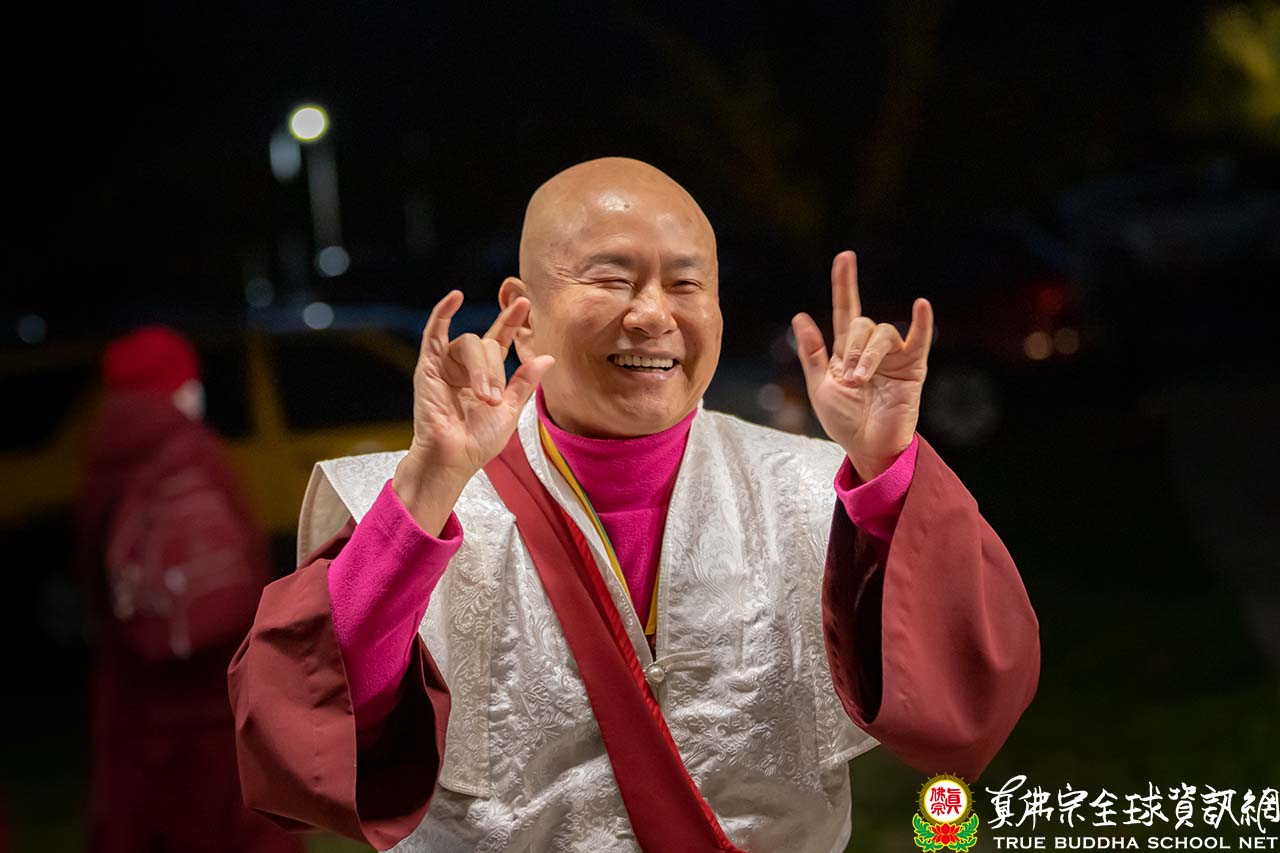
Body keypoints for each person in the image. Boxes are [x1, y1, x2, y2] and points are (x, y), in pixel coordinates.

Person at [229, 158, 1040, 852]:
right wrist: (428, 487)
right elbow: (310, 734)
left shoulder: (812, 487)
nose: (653, 314)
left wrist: (889, 471)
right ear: (523, 309)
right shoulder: (414, 503)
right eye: (612, 279)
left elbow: (970, 694)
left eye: (686, 283)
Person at [75, 326, 302, 853]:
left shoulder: (100, 462)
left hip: (134, 708)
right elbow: (240, 568)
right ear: (177, 384)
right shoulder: (191, 452)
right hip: (215, 703)